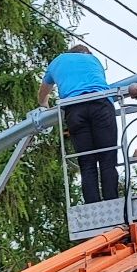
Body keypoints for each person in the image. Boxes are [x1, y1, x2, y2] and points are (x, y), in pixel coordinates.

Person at [39, 39, 119, 203]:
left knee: (87, 161)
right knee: (107, 159)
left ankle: (92, 204)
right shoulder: (93, 60)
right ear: (86, 53)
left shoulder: (57, 62)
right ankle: (112, 202)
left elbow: (43, 92)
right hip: (100, 103)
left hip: (74, 108)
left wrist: (44, 106)